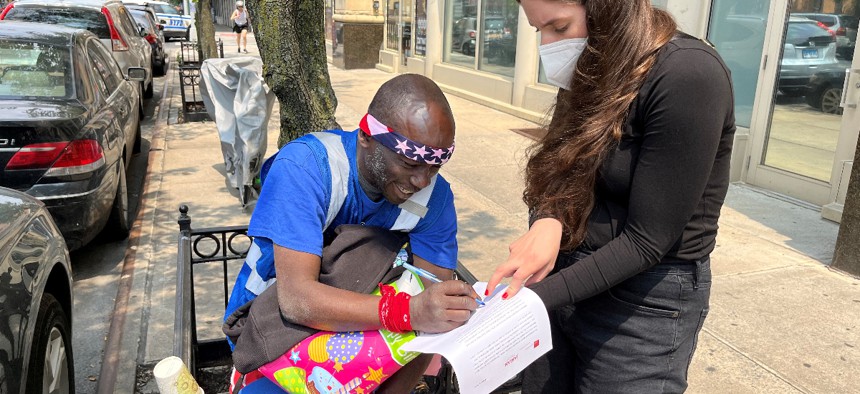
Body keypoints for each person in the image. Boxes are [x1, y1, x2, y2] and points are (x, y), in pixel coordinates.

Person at [485, 0, 736, 392]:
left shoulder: (688, 74)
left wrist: (527, 303)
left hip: (643, 303)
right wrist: (549, 217)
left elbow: (648, 239)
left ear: (607, 9)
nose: (549, 45)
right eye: (540, 31)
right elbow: (560, 165)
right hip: (565, 276)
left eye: (560, 27)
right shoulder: (596, 65)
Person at [224, 74, 481, 393]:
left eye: (434, 168)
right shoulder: (306, 167)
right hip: (273, 335)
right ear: (365, 137)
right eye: (409, 163)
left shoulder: (434, 200)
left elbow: (432, 323)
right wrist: (410, 312)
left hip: (366, 341)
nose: (422, 182)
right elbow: (296, 300)